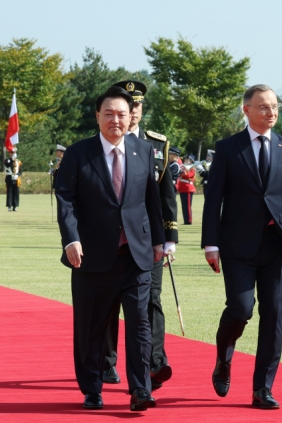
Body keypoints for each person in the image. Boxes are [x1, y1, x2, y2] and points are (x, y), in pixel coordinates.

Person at [55, 86, 165, 412]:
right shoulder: (78, 154)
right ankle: (92, 389)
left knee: (140, 326)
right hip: (91, 257)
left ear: (131, 116)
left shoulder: (143, 151)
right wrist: (71, 239)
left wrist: (159, 241)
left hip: (136, 256)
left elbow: (152, 201)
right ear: (97, 117)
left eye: (121, 114)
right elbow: (66, 199)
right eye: (108, 114)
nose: (115, 120)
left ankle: (140, 390)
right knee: (91, 328)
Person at [202, 84, 282, 410]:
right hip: (236, 245)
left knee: (274, 315)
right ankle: (224, 356)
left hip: (276, 245)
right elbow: (213, 200)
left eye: (275, 106)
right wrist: (211, 243)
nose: (271, 112)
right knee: (241, 308)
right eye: (263, 107)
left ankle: (262, 388)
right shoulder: (228, 148)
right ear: (246, 110)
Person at [99, 80, 179, 390]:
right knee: (109, 302)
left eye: (139, 106)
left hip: (148, 239)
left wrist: (169, 238)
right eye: (129, 105)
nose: (134, 111)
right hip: (113, 238)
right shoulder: (103, 142)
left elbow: (164, 195)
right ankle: (106, 361)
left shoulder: (155, 145)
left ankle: (155, 362)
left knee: (151, 300)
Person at [177, 154, 197, 225]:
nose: (185, 159)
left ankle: (188, 220)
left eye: (187, 159)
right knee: (184, 205)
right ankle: (186, 220)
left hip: (188, 188)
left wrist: (183, 172)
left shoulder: (192, 168)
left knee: (187, 206)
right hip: (183, 188)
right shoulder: (183, 167)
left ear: (191, 160)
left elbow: (189, 176)